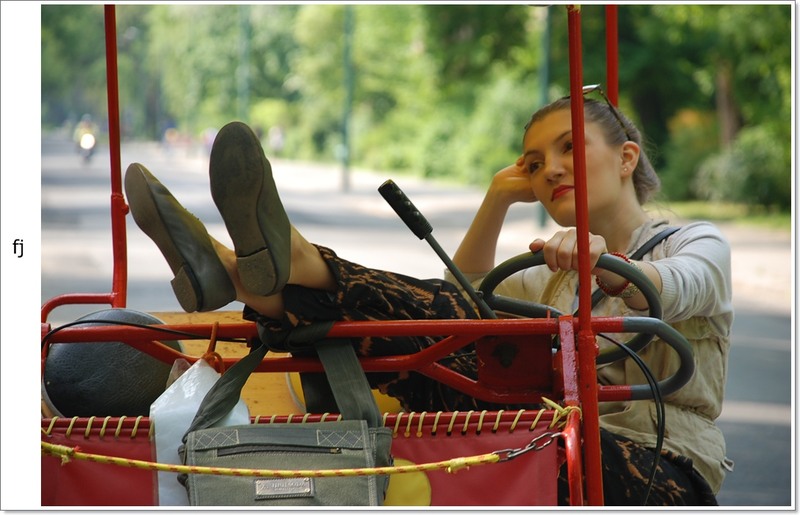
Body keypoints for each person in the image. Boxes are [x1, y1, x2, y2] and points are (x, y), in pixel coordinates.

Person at [124, 91, 732, 506]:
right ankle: (260, 276)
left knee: (472, 354)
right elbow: (455, 303)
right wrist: (497, 198)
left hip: (658, 467)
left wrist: (610, 267)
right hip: (551, 435)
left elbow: (683, 286)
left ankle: (265, 271)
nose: (549, 170)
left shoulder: (694, 242)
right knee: (443, 332)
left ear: (627, 158)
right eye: (533, 163)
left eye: (570, 148)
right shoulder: (550, 273)